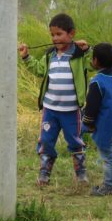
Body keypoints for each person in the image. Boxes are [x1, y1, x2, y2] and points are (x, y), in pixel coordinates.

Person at [18, 13, 92, 186]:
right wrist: (26, 57)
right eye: (52, 35)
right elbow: (38, 70)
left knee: (75, 141)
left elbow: (94, 63)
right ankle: (44, 174)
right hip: (50, 110)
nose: (55, 38)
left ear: (71, 34)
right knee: (45, 140)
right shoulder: (50, 55)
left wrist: (88, 49)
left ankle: (81, 174)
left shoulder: (79, 55)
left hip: (71, 111)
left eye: (59, 34)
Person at [81, 43, 112, 196]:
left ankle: (109, 186)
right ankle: (110, 182)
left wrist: (87, 123)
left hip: (106, 125)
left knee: (108, 155)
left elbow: (92, 108)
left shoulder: (97, 82)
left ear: (95, 61)